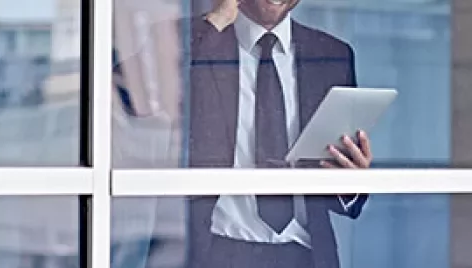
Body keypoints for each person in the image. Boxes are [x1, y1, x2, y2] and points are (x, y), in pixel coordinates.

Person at [113, 0, 370, 267]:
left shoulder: (332, 55)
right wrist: (214, 22)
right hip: (218, 250)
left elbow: (343, 199)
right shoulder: (189, 38)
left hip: (304, 254)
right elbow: (129, 93)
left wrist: (350, 181)